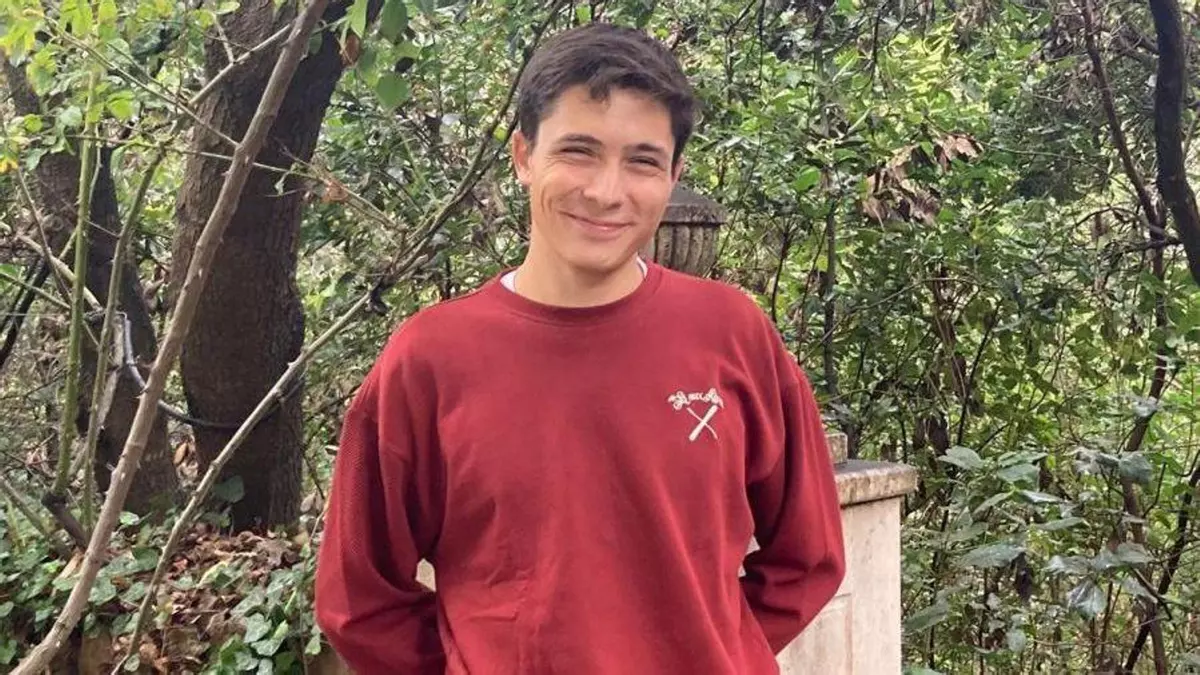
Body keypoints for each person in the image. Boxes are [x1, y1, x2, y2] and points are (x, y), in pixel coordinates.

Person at [314, 21, 846, 674]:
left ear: (674, 175)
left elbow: (808, 554)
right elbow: (358, 599)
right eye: (578, 151)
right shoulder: (430, 359)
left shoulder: (731, 332)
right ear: (523, 156)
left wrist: (717, 649)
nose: (605, 191)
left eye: (642, 161)